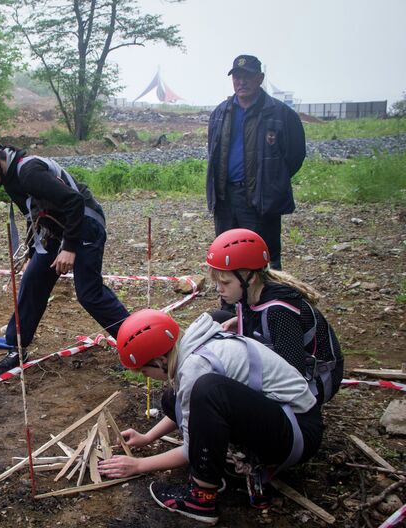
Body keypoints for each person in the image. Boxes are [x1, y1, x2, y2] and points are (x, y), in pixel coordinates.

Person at [97, 309, 323, 525]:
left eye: (145, 372)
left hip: (297, 432)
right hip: (280, 417)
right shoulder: (192, 345)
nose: (148, 377)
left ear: (160, 361)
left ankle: (201, 499)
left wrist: (138, 465)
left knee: (207, 390)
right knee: (173, 398)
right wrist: (147, 437)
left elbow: (190, 447)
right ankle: (231, 461)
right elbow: (188, 414)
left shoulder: (196, 368)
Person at [0, 134, 130, 376]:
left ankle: (135, 343)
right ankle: (16, 344)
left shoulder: (28, 173)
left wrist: (70, 248)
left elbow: (74, 201)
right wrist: (31, 252)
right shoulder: (10, 180)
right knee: (33, 278)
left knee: (89, 294)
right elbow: (34, 216)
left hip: (85, 223)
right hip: (57, 229)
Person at [207, 228, 344, 405]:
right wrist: (242, 321)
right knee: (218, 319)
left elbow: (293, 373)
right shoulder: (251, 293)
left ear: (251, 278)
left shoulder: (279, 312)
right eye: (216, 282)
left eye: (225, 282)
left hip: (314, 383)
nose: (219, 289)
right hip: (290, 368)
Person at [206, 54, 306, 270]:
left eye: (248, 76)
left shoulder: (281, 114)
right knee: (227, 253)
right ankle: (231, 302)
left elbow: (295, 156)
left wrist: (270, 180)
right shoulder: (220, 113)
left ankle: (268, 302)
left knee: (264, 257)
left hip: (260, 198)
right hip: (225, 197)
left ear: (260, 78)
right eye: (237, 77)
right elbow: (213, 153)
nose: (242, 82)